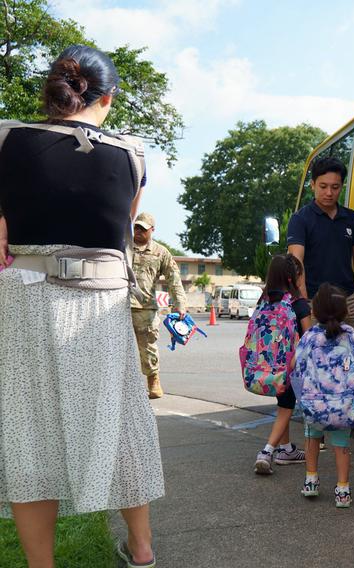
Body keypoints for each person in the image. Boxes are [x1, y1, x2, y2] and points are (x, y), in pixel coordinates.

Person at [0, 46, 163, 568]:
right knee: (121, 423)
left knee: (29, 429)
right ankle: (141, 550)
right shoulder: (134, 155)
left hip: (26, 295)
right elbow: (118, 233)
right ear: (107, 97)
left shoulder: (6, 138)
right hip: (103, 302)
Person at [287, 156, 354, 414]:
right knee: (315, 358)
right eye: (323, 186)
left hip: (350, 298)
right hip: (315, 302)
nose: (329, 192)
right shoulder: (300, 219)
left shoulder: (350, 218)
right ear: (313, 185)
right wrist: (303, 305)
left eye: (335, 187)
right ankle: (316, 421)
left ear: (342, 186)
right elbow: (295, 262)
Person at [293, 283, 354, 508]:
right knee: (342, 446)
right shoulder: (352, 336)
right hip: (344, 406)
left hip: (314, 405)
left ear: (314, 312)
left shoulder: (310, 336)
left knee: (312, 439)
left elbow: (296, 366)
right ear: (345, 311)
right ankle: (343, 490)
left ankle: (311, 481)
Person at [253, 254, 310, 475]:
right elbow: (308, 336)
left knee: (282, 403)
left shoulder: (264, 300)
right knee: (287, 407)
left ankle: (286, 450)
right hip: (290, 366)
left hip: (267, 364)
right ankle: (266, 452)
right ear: (293, 278)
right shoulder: (298, 303)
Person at [130, 211, 188, 399]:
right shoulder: (123, 247)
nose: (138, 231)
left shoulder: (160, 253)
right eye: (136, 227)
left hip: (145, 308)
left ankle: (153, 381)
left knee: (148, 347)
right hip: (116, 306)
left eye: (143, 229)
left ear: (152, 230)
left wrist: (180, 304)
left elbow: (174, 279)